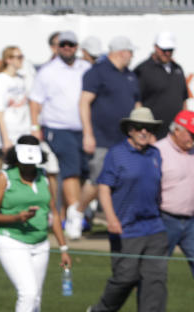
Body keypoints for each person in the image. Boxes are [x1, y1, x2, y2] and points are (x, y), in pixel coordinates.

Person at [87, 107, 173, 312]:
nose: (144, 131)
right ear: (130, 130)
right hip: (126, 228)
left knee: (155, 280)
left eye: (149, 128)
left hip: (154, 226)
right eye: (139, 127)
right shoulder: (116, 154)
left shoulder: (155, 154)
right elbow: (104, 187)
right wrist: (111, 218)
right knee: (125, 278)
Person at [0, 136, 72, 312]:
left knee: (36, 299)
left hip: (40, 244)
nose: (29, 167)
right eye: (25, 163)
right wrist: (16, 218)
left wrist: (63, 248)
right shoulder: (4, 178)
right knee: (28, 292)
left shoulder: (44, 178)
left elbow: (52, 211)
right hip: (11, 241)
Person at [72, 36, 141, 238]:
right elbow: (84, 102)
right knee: (96, 180)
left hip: (126, 139)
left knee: (125, 181)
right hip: (102, 137)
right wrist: (88, 134)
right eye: (131, 52)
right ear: (122, 52)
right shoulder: (97, 73)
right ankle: (77, 212)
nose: (132, 56)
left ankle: (121, 221)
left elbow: (137, 105)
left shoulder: (130, 76)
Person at [29, 31, 91, 225]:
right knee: (70, 170)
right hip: (58, 127)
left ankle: (72, 213)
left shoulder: (86, 68)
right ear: (57, 47)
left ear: (76, 47)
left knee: (83, 171)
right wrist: (34, 126)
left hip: (83, 129)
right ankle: (75, 217)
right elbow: (35, 101)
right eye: (62, 44)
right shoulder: (48, 71)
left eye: (70, 44)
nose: (66, 48)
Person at [154, 110, 194, 279]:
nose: (192, 138)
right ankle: (149, 304)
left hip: (191, 221)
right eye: (190, 133)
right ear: (177, 130)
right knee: (155, 269)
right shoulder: (158, 151)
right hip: (165, 219)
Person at [0, 46, 31, 191]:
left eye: (22, 56)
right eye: (18, 57)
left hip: (19, 133)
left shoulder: (20, 79)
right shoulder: (0, 80)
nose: (21, 60)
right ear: (8, 60)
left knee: (17, 172)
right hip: (1, 137)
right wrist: (5, 139)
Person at [134, 32, 187, 139]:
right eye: (164, 50)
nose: (167, 53)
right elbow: (137, 102)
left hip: (175, 135)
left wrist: (185, 127)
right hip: (153, 134)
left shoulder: (178, 69)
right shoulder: (143, 70)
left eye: (170, 50)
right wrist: (145, 131)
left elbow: (183, 100)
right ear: (156, 47)